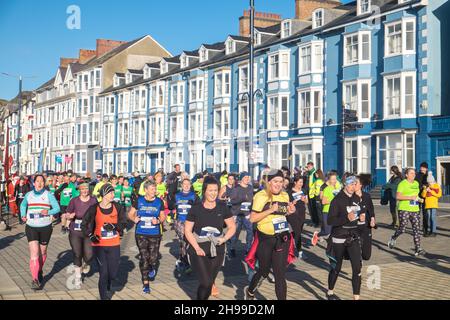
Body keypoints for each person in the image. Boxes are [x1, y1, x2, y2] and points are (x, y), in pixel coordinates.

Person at [245, 169, 296, 300]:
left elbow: (282, 214)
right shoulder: (261, 196)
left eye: (281, 181)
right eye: (275, 181)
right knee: (264, 271)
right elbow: (252, 218)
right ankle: (250, 291)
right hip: (265, 239)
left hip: (282, 238)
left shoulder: (285, 195)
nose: (278, 184)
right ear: (268, 182)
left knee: (280, 275)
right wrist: (270, 210)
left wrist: (290, 211)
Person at [184, 176, 236, 300]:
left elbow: (232, 226)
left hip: (217, 247)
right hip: (199, 247)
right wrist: (196, 247)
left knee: (209, 282)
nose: (213, 193)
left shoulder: (222, 207)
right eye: (210, 190)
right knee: (206, 282)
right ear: (204, 191)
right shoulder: (196, 208)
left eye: (215, 190)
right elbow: (187, 230)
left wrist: (224, 239)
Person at [81, 184, 127, 300]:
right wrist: (91, 235)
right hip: (99, 245)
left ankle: (108, 283)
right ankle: (103, 297)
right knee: (104, 272)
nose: (113, 194)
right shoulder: (94, 208)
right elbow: (84, 224)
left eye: (113, 192)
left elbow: (124, 223)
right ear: (104, 195)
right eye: (110, 193)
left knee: (113, 273)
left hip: (114, 244)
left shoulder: (118, 207)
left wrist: (114, 226)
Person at [326, 176, 363, 300]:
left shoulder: (356, 198)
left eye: (355, 184)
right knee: (336, 267)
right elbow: (331, 220)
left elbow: (359, 215)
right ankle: (330, 291)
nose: (353, 187)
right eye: (351, 184)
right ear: (345, 185)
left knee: (357, 267)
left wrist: (364, 219)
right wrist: (346, 218)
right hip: (339, 237)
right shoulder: (337, 200)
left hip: (353, 237)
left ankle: (356, 297)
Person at [20, 174, 60, 290]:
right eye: (37, 181)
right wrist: (23, 215)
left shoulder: (48, 194)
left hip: (45, 227)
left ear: (44, 183)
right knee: (34, 253)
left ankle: (39, 269)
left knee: (42, 252)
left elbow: (57, 208)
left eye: (42, 181)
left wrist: (48, 211)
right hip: (31, 226)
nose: (39, 183)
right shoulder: (29, 195)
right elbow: (23, 205)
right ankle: (35, 279)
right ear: (34, 183)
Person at [128, 180, 166, 294]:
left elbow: (163, 215)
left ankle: (151, 267)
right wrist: (134, 219)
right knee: (144, 258)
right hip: (141, 233)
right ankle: (146, 283)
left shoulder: (159, 202)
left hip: (155, 233)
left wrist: (158, 220)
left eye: (155, 188)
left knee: (153, 258)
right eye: (152, 189)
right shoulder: (138, 200)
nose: (155, 191)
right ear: (146, 190)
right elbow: (130, 213)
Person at [65, 182, 97, 288]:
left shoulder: (93, 200)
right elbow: (67, 214)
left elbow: (97, 214)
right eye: (83, 189)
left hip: (88, 231)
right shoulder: (74, 201)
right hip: (75, 230)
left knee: (89, 255)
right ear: (79, 190)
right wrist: (70, 216)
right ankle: (78, 276)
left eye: (86, 189)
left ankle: (86, 264)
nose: (85, 191)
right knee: (77, 253)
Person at [388, 168, 426, 256]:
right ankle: (393, 237)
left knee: (416, 229)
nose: (414, 175)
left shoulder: (416, 183)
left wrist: (419, 199)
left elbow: (415, 195)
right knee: (403, 228)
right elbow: (398, 196)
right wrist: (410, 198)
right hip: (404, 208)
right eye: (411, 173)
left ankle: (418, 249)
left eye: (414, 173)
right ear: (406, 175)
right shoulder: (402, 184)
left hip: (415, 209)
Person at [170, 178, 199, 274]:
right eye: (184, 184)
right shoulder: (177, 195)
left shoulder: (194, 196)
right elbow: (170, 206)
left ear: (190, 185)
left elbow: (199, 208)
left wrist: (194, 206)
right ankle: (185, 262)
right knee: (185, 239)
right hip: (180, 221)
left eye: (188, 184)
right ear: (181, 185)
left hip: (191, 222)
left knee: (189, 242)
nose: (186, 186)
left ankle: (183, 258)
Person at [227, 172, 254, 258]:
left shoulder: (250, 187)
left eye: (248, 177)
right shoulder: (236, 188)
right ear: (242, 178)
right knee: (235, 233)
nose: (247, 179)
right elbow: (231, 201)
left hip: (247, 214)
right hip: (237, 214)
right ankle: (232, 248)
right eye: (246, 177)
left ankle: (248, 249)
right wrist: (240, 200)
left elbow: (251, 200)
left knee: (250, 232)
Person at [314, 171, 341, 244]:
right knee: (327, 231)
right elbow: (323, 202)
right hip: (327, 211)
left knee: (333, 230)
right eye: (332, 179)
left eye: (335, 179)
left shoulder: (337, 189)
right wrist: (333, 201)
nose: (334, 181)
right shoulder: (326, 188)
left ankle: (331, 246)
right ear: (329, 180)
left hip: (335, 212)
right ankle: (318, 234)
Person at [354, 176, 376, 261]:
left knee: (367, 256)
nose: (354, 185)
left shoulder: (366, 196)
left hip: (366, 226)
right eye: (353, 183)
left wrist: (372, 219)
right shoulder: (349, 197)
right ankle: (357, 263)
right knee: (355, 250)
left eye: (356, 183)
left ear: (361, 185)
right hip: (354, 226)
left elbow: (371, 209)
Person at [287, 175, 308, 258]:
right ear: (295, 182)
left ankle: (290, 243)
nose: (301, 184)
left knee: (297, 233)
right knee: (298, 233)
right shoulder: (289, 192)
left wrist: (304, 200)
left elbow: (306, 202)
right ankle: (300, 252)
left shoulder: (303, 191)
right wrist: (293, 203)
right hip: (293, 215)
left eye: (302, 182)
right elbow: (287, 204)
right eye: (299, 182)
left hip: (302, 214)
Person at [421, 172, 442, 237]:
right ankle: (430, 231)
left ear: (433, 181)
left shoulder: (436, 186)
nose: (430, 184)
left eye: (431, 182)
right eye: (429, 182)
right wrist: (425, 190)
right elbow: (423, 196)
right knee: (429, 218)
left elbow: (439, 195)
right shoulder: (427, 186)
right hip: (427, 205)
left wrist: (431, 191)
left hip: (433, 204)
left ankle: (434, 231)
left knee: (433, 218)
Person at [416, 162, 429, 235]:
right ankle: (416, 229)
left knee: (425, 213)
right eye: (421, 167)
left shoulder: (428, 176)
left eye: (423, 167)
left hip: (425, 197)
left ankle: (425, 229)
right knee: (417, 213)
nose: (422, 168)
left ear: (426, 168)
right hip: (418, 196)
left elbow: (431, 184)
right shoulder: (417, 175)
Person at [306, 162, 320, 228]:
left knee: (314, 209)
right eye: (307, 167)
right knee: (311, 209)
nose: (307, 168)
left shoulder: (314, 173)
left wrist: (315, 192)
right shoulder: (309, 174)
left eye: (308, 167)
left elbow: (317, 183)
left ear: (312, 166)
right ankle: (314, 221)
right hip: (310, 193)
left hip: (313, 194)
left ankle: (317, 222)